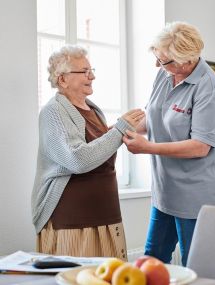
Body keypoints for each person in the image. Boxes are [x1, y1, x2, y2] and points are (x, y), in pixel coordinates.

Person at [123, 22, 215, 266]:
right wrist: (117, 129)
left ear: (187, 61)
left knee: (195, 264)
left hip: (196, 196)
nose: (157, 65)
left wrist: (147, 147)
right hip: (165, 191)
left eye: (163, 61)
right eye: (158, 59)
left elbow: (200, 145)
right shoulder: (164, 73)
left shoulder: (209, 87)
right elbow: (153, 117)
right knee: (151, 260)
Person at [31, 45, 144, 259]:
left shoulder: (93, 110)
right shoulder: (52, 112)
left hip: (106, 216)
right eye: (83, 71)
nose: (91, 76)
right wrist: (120, 129)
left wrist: (124, 129)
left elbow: (98, 147)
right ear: (62, 79)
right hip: (73, 223)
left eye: (91, 70)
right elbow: (77, 159)